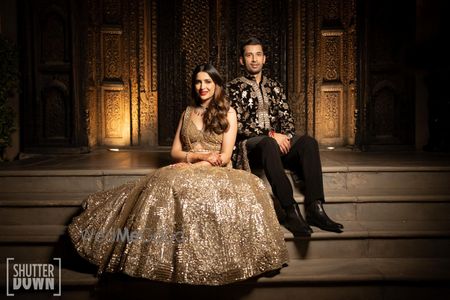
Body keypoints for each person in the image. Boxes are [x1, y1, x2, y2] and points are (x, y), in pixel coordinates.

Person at [68, 63, 288, 286]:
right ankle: (160, 262)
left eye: (208, 82)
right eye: (198, 82)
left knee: (215, 189)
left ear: (217, 85)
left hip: (216, 170)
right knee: (164, 183)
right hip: (188, 165)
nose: (202, 86)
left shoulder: (228, 112)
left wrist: (202, 163)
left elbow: (224, 156)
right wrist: (194, 159)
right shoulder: (188, 112)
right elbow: (174, 151)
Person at [226, 37, 344, 237]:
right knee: (268, 143)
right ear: (241, 60)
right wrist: (272, 135)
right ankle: (290, 210)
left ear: (265, 59)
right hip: (251, 148)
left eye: (258, 54)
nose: (254, 59)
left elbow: (288, 119)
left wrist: (285, 138)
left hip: (274, 147)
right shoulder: (233, 88)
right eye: (249, 55)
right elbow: (240, 125)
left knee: (308, 143)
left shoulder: (274, 86)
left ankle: (315, 208)